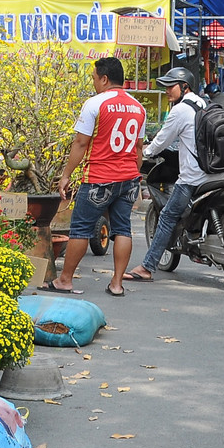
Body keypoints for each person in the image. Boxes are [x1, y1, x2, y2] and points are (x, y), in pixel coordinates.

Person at [50, 57, 147, 297]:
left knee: (81, 229)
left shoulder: (95, 104)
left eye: (94, 78)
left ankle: (65, 280)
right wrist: (134, 177)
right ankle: (116, 284)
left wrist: (66, 175)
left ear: (104, 79)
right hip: (128, 178)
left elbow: (81, 142)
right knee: (123, 229)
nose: (93, 83)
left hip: (99, 177)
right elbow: (138, 149)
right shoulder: (138, 107)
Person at [125, 67, 206, 283]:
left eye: (171, 86)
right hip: (212, 172)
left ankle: (147, 267)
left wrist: (146, 153)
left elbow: (161, 141)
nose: (167, 91)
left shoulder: (179, 111)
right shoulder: (202, 103)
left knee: (168, 217)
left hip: (192, 176)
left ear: (185, 87)